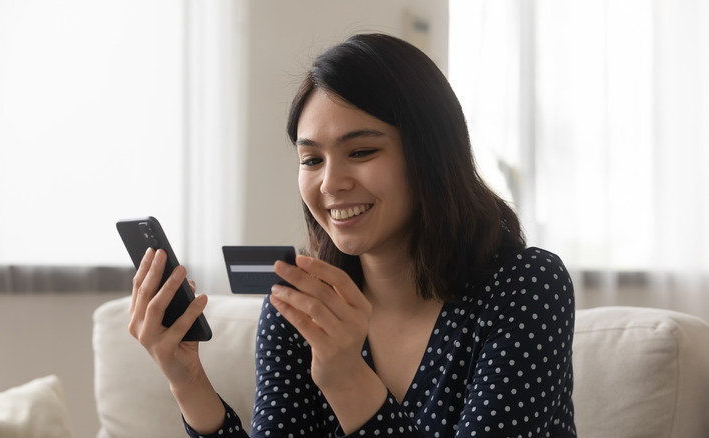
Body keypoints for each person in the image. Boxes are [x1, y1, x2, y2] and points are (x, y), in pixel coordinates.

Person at [128, 33, 576, 438]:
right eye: (311, 159)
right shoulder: (299, 306)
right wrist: (187, 380)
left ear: (432, 155)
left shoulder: (526, 286)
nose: (329, 183)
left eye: (361, 151)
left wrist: (347, 378)